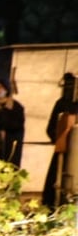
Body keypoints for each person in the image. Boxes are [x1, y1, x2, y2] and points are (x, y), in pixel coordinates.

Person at [43, 72, 78, 209]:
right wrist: (59, 136)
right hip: (62, 151)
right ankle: (52, 207)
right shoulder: (61, 103)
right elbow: (51, 127)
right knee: (56, 181)